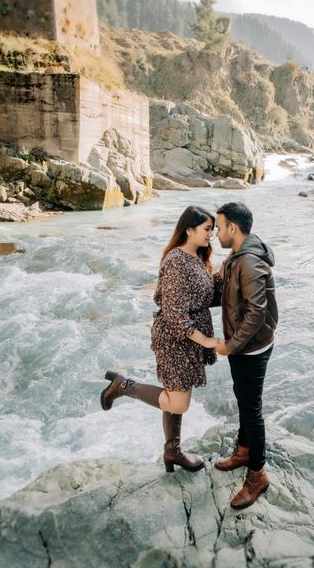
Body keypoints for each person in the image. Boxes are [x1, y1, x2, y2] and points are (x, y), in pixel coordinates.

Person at [99, 205, 224, 473]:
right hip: (174, 339)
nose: (210, 235)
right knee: (178, 402)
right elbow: (173, 311)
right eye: (206, 229)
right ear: (188, 230)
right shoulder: (176, 260)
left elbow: (202, 298)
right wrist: (206, 341)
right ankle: (123, 385)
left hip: (187, 339)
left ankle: (172, 452)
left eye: (213, 230)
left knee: (175, 396)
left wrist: (224, 277)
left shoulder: (197, 258)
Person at [212, 201, 278, 509]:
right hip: (245, 344)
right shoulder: (237, 256)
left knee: (252, 409)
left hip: (251, 347)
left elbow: (255, 314)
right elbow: (231, 299)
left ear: (233, 228)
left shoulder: (248, 262)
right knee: (244, 399)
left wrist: (229, 345)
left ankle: (257, 474)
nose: (216, 233)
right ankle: (242, 450)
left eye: (219, 226)